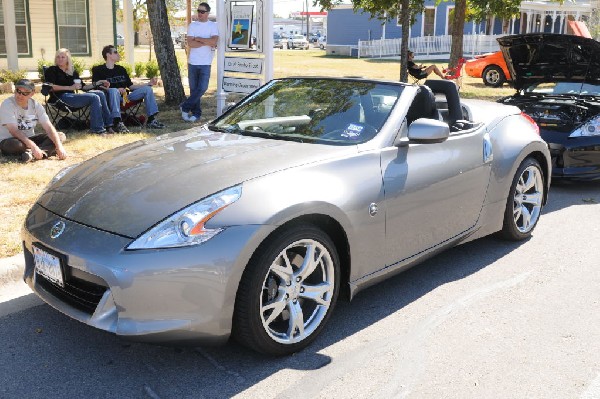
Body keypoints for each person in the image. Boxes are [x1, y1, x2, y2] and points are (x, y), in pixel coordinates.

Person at [91, 45, 165, 130]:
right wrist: (116, 90)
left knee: (148, 89)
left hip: (125, 98)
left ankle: (151, 120)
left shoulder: (121, 69)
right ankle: (117, 122)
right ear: (108, 55)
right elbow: (97, 87)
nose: (118, 54)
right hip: (111, 98)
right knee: (114, 91)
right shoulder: (98, 70)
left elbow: (131, 86)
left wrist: (148, 83)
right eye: (115, 52)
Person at [44, 48, 116, 134]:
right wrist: (70, 88)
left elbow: (84, 87)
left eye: (63, 57)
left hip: (72, 97)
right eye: (58, 57)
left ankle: (109, 125)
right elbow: (50, 87)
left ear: (68, 59)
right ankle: (97, 130)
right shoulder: (52, 70)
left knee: (100, 93)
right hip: (60, 98)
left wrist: (98, 82)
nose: (60, 59)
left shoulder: (72, 72)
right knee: (94, 97)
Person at [0, 79, 67, 162]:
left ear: (32, 93)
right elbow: (14, 131)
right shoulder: (7, 104)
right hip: (10, 140)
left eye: (25, 93)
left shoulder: (36, 105)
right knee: (15, 145)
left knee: (60, 136)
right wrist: (33, 146)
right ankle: (43, 151)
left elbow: (48, 127)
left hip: (29, 138)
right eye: (18, 91)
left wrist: (59, 146)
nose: (20, 95)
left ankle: (31, 154)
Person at [180, 2, 219, 122]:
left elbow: (214, 42)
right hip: (193, 62)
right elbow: (191, 43)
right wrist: (205, 41)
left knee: (202, 88)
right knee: (194, 89)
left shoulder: (213, 26)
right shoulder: (192, 26)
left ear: (207, 13)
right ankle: (196, 114)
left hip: (206, 62)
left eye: (202, 12)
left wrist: (198, 39)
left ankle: (185, 107)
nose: (200, 14)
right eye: (198, 11)